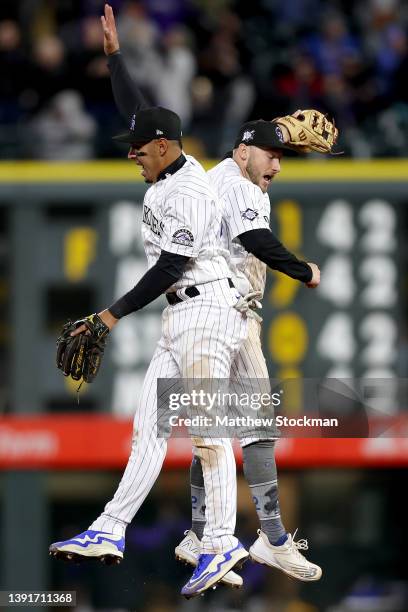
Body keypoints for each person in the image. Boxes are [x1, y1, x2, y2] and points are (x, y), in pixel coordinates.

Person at [99, 3, 323, 588]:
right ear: (245, 149)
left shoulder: (225, 174)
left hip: (216, 310)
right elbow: (251, 236)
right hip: (226, 313)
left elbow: (142, 118)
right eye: (273, 152)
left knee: (230, 424)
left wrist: (115, 60)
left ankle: (216, 534)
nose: (279, 161)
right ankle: (243, 536)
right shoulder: (230, 182)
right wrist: (303, 270)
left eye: (283, 155)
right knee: (229, 426)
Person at [49, 90, 252, 601]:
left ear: (162, 146)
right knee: (147, 433)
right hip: (180, 315)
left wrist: (109, 316)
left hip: (206, 309)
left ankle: (223, 540)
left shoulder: (188, 191)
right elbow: (137, 108)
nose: (132, 153)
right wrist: (115, 58)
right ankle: (109, 528)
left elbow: (168, 267)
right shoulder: (164, 171)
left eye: (139, 147)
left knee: (207, 433)